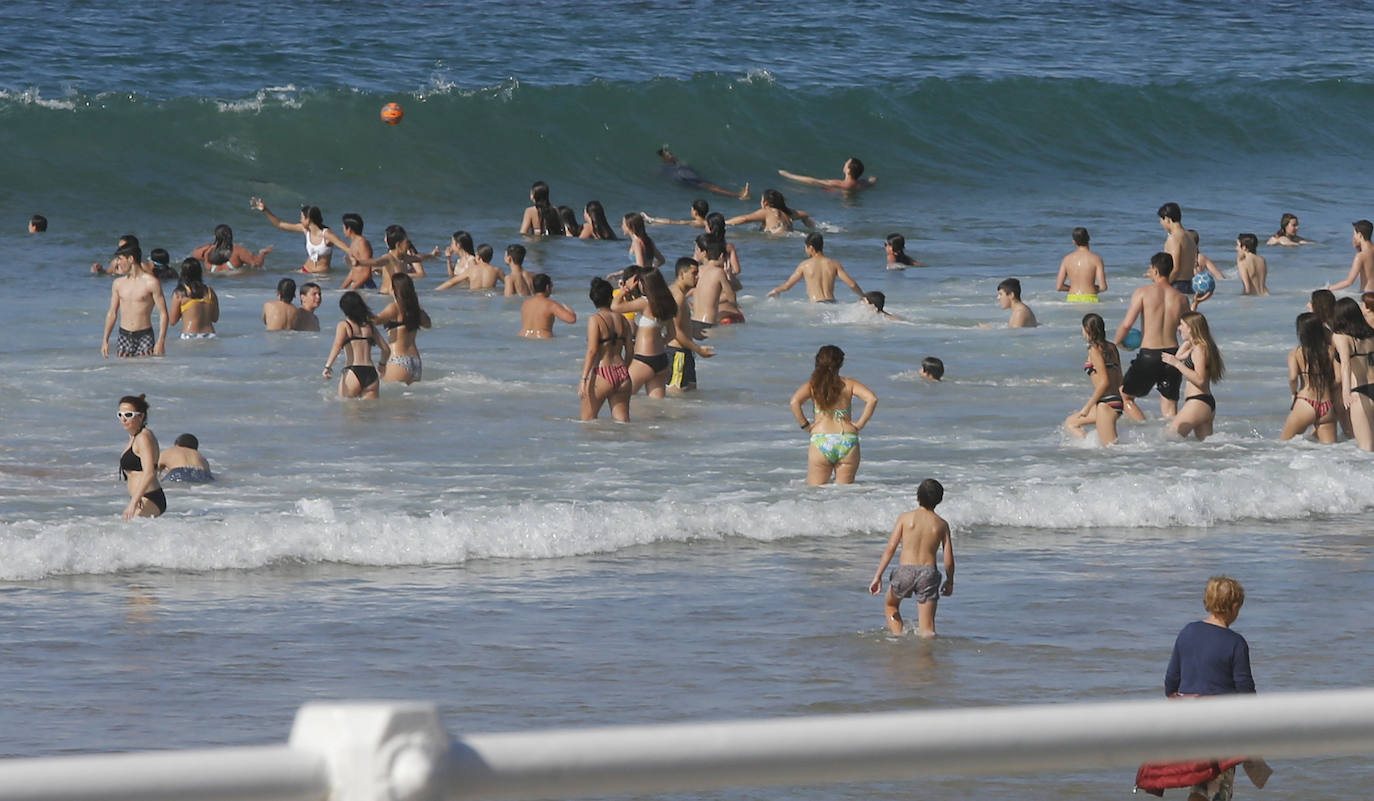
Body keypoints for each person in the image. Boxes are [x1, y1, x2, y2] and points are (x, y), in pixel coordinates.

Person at [1135, 576, 1256, 801]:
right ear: (1235, 607)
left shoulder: (1188, 632)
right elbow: (1246, 690)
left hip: (1189, 720)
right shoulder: (1236, 643)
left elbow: (1171, 681)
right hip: (1221, 724)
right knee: (1216, 789)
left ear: (1206, 601)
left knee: (1201, 787)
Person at [868, 478, 954, 637]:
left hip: (905, 571)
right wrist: (950, 581)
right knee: (927, 628)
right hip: (928, 573)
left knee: (891, 606)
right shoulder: (941, 524)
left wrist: (877, 576)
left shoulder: (905, 518)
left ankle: (898, 637)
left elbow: (890, 548)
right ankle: (926, 656)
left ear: (918, 497)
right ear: (939, 500)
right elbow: (948, 559)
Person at [788, 344, 878, 485]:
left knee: (815, 493)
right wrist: (860, 424)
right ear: (840, 363)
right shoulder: (849, 383)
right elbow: (872, 399)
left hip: (821, 438)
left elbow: (794, 402)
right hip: (847, 439)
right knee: (843, 494)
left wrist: (805, 425)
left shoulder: (812, 385)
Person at [1115, 253, 1188, 420]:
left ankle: (1145, 430)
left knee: (1124, 396)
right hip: (1173, 355)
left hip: (1150, 355)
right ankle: (1171, 440)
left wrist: (1117, 343)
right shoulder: (1181, 298)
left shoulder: (1142, 292)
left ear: (1155, 270)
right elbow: (1189, 329)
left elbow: (1127, 324)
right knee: (1170, 409)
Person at [611, 268, 686, 398]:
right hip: (661, 359)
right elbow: (671, 335)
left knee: (620, 396)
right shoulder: (668, 304)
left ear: (644, 284)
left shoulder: (644, 303)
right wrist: (658, 343)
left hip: (644, 359)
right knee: (656, 405)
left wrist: (624, 290)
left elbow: (615, 307)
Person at [1161, 311, 1225, 441]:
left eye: (1182, 325)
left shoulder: (1200, 349)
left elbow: (1200, 380)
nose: (1179, 328)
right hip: (1204, 403)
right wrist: (1189, 340)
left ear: (1191, 328)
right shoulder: (1196, 347)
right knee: (1205, 450)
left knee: (1168, 438)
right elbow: (1178, 356)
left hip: (1198, 402)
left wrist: (1177, 364)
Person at [578, 277, 634, 421]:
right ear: (611, 297)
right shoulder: (623, 320)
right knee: (622, 425)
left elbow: (592, 351)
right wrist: (624, 370)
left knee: (587, 422)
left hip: (603, 373)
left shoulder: (595, 320)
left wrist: (583, 379)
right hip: (622, 373)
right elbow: (630, 351)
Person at [1064, 312, 1124, 446]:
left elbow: (1104, 381)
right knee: (1071, 423)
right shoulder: (1112, 347)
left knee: (1111, 450)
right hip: (1115, 400)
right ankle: (1089, 445)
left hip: (1106, 404)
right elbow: (1120, 378)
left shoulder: (1094, 350)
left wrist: (1087, 406)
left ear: (1087, 329)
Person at [100, 242, 168, 358]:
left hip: (145, 336)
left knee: (144, 372)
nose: (117, 262)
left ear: (131, 259)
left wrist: (161, 340)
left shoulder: (151, 283)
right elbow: (112, 313)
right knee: (123, 373)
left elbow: (163, 313)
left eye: (120, 259)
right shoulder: (118, 283)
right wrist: (105, 339)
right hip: (124, 335)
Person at [1281, 313, 1338, 443]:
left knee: (1283, 445)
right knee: (1330, 451)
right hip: (1327, 405)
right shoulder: (1331, 351)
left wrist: (1293, 393)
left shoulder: (1295, 353)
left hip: (1305, 402)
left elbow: (1293, 378)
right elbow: (1339, 379)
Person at [322, 291, 391, 398]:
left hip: (353, 372)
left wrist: (328, 367)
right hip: (371, 373)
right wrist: (382, 365)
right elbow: (386, 349)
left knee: (349, 411)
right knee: (369, 413)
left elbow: (337, 346)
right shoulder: (370, 326)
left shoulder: (344, 325)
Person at [664, 258, 716, 390]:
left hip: (684, 352)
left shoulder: (678, 293)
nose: (698, 277)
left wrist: (693, 331)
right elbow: (675, 331)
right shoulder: (678, 297)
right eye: (694, 273)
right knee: (675, 400)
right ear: (682, 274)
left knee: (690, 399)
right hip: (677, 353)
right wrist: (699, 350)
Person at [249, 198, 338, 274]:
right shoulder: (305, 229)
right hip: (305, 271)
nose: (300, 220)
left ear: (308, 219)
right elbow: (279, 224)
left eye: (302, 218)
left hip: (322, 276)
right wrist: (265, 210)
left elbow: (345, 247)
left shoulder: (327, 235)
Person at [768, 233, 864, 302]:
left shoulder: (804, 265)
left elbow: (787, 286)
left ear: (811, 248)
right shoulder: (834, 264)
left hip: (817, 305)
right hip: (832, 303)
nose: (805, 250)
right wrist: (863, 297)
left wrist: (776, 290)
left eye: (805, 247)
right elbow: (852, 284)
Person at [1331, 297, 1374, 451]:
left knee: (1366, 448)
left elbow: (1346, 364)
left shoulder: (1340, 336)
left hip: (1360, 393)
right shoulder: (1371, 334)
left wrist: (1345, 392)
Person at [374, 273, 431, 384]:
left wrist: (360, 310)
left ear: (394, 289)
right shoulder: (417, 309)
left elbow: (376, 321)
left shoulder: (394, 307)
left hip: (398, 360)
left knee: (390, 400)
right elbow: (428, 324)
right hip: (415, 361)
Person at [348, 224, 437, 295]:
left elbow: (418, 258)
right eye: (406, 242)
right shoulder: (389, 258)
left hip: (396, 296)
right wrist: (358, 262)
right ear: (398, 245)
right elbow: (376, 261)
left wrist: (431, 255)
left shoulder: (403, 258)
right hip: (385, 296)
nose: (409, 244)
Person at [116, 394, 165, 520]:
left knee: (127, 529)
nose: (123, 419)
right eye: (120, 415)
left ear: (141, 416)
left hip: (149, 497)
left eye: (128, 415)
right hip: (140, 497)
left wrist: (133, 503)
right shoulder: (134, 436)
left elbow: (149, 473)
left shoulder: (143, 437)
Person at [692, 233, 745, 326]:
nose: (695, 253)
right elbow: (732, 297)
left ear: (703, 253)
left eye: (696, 250)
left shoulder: (697, 271)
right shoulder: (719, 272)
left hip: (694, 322)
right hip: (709, 323)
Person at [656, 147, 749, 199]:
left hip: (687, 177)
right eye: (668, 154)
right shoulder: (666, 166)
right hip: (686, 178)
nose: (672, 155)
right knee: (711, 187)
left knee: (711, 186)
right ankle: (738, 195)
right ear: (664, 158)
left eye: (671, 153)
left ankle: (737, 195)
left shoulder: (675, 163)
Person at [168, 258, 219, 339]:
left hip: (190, 335)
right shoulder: (210, 291)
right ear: (200, 272)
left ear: (183, 273)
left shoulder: (180, 293)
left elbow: (172, 321)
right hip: (210, 335)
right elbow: (215, 318)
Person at [191, 223, 272, 272]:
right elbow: (257, 263)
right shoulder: (237, 250)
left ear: (215, 237)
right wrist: (262, 253)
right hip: (233, 282)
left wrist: (208, 246)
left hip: (214, 281)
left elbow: (194, 254)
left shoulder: (208, 251)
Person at [725, 188, 813, 233]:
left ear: (765, 203)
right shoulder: (787, 212)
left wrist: (724, 222)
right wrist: (809, 225)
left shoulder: (766, 211)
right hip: (789, 237)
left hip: (776, 239)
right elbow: (805, 214)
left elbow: (744, 219)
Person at [1055, 227, 1107, 302]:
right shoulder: (1096, 259)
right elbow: (1103, 287)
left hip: (1072, 298)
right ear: (1089, 238)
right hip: (1090, 298)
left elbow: (1059, 287)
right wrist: (1091, 288)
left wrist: (1072, 288)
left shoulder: (1066, 259)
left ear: (1074, 242)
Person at [519, 274, 577, 338]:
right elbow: (571, 319)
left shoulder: (526, 303)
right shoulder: (551, 305)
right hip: (543, 339)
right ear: (547, 287)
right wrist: (571, 311)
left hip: (524, 337)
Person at [1159, 202, 1198, 295]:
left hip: (1178, 285)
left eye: (1161, 220)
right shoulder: (1189, 236)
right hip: (1190, 284)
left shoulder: (1174, 237)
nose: (1161, 224)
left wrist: (1162, 286)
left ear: (1167, 219)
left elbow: (1176, 268)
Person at [778, 157, 877, 191]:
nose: (845, 163)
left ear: (848, 171)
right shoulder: (863, 183)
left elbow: (813, 181)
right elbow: (873, 179)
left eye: (846, 163)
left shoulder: (840, 183)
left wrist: (789, 175)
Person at [435, 243, 504, 290]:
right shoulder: (497, 270)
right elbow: (508, 283)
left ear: (479, 257)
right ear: (491, 257)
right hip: (489, 298)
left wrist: (435, 291)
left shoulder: (471, 270)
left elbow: (451, 282)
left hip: (474, 298)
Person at [1331, 220, 1374, 292]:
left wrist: (1328, 289)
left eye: (1354, 234)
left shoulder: (1360, 256)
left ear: (1360, 235)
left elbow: (1349, 282)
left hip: (1368, 294)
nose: (1353, 237)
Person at [336, 213, 377, 289]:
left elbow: (367, 273)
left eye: (344, 227)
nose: (343, 230)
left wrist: (353, 288)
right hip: (357, 285)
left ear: (349, 229)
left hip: (365, 286)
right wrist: (341, 288)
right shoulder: (353, 243)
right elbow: (354, 271)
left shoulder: (362, 243)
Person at [643, 198, 710, 228]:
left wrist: (651, 219)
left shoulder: (693, 222)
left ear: (695, 212)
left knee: (657, 224)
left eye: (692, 209)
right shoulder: (709, 222)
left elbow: (671, 222)